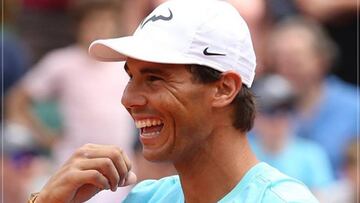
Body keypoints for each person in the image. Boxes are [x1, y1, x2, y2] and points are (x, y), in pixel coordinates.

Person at [29, 0, 318, 202]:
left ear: (224, 88)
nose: (128, 98)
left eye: (154, 78)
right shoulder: (146, 198)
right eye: (131, 77)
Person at [7, 0, 135, 202]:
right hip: (76, 165)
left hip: (122, 170)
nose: (100, 28)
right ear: (79, 26)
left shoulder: (125, 64)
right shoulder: (62, 62)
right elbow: (18, 100)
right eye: (93, 22)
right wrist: (46, 137)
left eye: (106, 21)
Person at [267, 17, 357, 175]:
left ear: (322, 60)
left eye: (295, 61)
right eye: (278, 60)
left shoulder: (354, 107)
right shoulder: (265, 108)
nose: (285, 69)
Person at [250, 74, 334, 192]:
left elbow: (322, 197)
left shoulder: (312, 154)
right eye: (271, 111)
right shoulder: (243, 152)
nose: (279, 118)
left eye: (286, 110)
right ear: (254, 117)